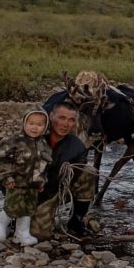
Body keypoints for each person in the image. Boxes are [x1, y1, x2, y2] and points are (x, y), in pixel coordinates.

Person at [30, 100, 97, 241]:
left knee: (89, 171)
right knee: (37, 234)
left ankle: (76, 218)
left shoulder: (78, 147)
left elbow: (73, 179)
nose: (66, 124)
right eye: (62, 118)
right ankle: (16, 214)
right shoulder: (33, 136)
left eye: (71, 120)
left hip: (55, 190)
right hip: (29, 191)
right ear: (51, 116)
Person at [0, 108, 52, 246]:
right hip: (16, 182)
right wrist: (7, 178)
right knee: (12, 206)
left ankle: (22, 233)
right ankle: (0, 225)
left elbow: (45, 163)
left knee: (29, 208)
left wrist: (42, 181)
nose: (35, 127)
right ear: (24, 123)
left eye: (39, 124)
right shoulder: (14, 141)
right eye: (31, 123)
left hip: (33, 184)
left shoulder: (43, 144)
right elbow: (1, 159)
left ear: (45, 127)